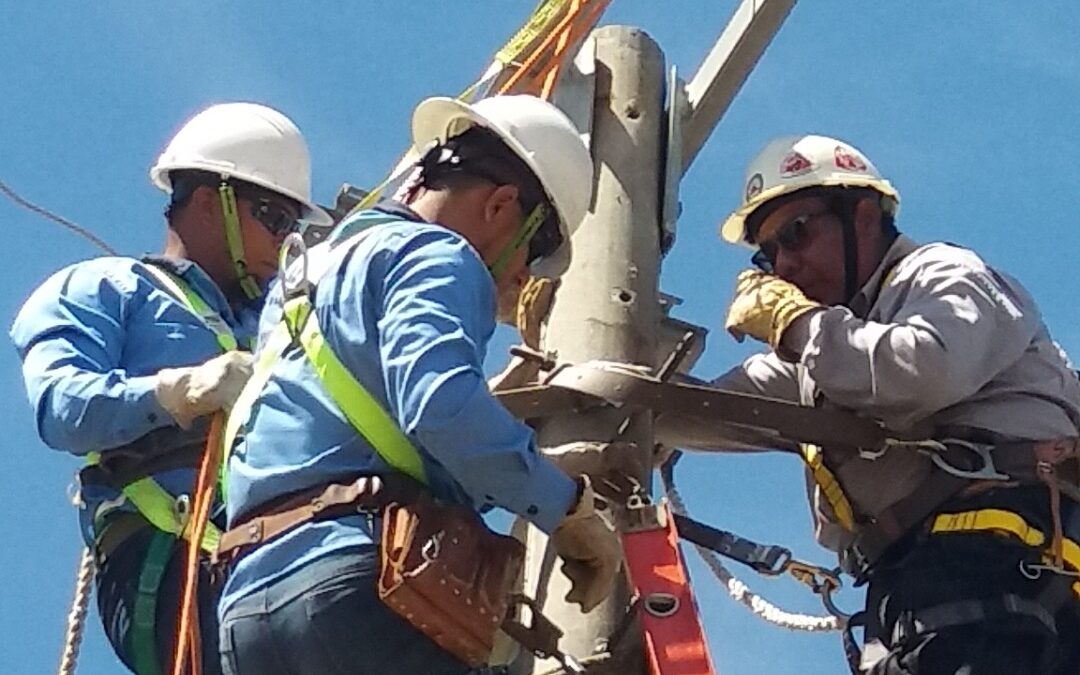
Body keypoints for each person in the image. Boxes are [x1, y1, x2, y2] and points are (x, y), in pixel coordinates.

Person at [214, 94, 623, 675]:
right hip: (357, 585)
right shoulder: (438, 255)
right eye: (530, 252)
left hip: (247, 610)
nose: (520, 276)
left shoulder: (304, 277)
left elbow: (347, 430)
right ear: (503, 204)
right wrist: (566, 509)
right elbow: (440, 407)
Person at [707, 134, 1080, 673]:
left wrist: (797, 324)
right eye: (770, 255)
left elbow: (924, 369)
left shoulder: (944, 274)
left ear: (862, 217)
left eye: (797, 234)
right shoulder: (827, 357)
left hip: (1001, 569)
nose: (784, 265)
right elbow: (695, 406)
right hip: (921, 597)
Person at [10, 102, 330, 675]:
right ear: (210, 202)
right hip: (172, 556)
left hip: (277, 553)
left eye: (294, 229)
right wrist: (177, 391)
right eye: (273, 219)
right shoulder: (109, 288)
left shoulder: (282, 320)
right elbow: (63, 407)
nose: (284, 244)